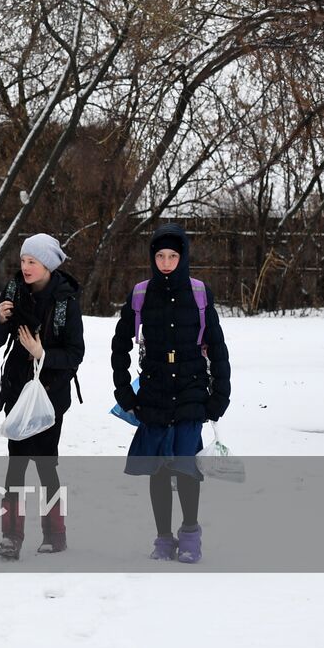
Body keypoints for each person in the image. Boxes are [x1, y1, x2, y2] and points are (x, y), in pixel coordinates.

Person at [111, 223, 231, 564]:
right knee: (159, 468)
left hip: (192, 387)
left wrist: (220, 393)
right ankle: (164, 537)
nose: (166, 262)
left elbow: (218, 347)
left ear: (183, 257)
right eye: (160, 256)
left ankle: (190, 533)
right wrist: (124, 391)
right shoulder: (140, 294)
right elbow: (119, 347)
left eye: (173, 256)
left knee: (185, 465)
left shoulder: (200, 293)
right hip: (154, 389)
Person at [0, 233, 85, 559]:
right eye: (24, 260)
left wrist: (42, 352)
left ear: (48, 265)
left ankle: (55, 534)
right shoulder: (14, 290)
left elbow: (75, 353)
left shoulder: (66, 299)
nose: (25, 267)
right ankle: (10, 537)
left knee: (45, 463)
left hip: (50, 394)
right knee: (16, 464)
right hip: (17, 390)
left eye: (33, 262)